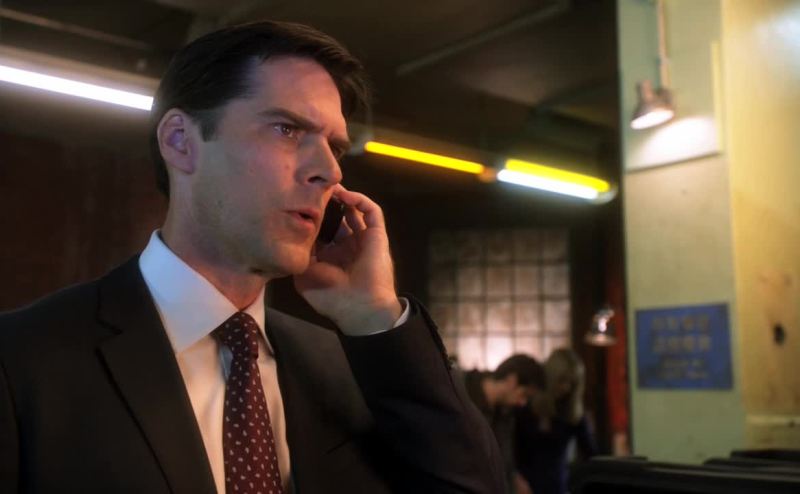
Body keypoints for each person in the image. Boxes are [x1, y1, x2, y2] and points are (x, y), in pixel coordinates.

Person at [0, 21, 504, 493]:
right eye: (287, 129)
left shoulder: (349, 367)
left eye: (335, 148)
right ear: (180, 142)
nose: (329, 171)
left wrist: (374, 318)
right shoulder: (22, 360)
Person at [514, 348, 598, 494]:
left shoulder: (572, 412)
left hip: (558, 487)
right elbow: (511, 449)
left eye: (572, 383)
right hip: (523, 487)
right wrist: (514, 477)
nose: (566, 387)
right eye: (562, 380)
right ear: (551, 377)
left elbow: (591, 454)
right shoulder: (525, 407)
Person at [463, 354, 546, 494]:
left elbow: (505, 459)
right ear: (512, 380)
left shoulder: (506, 413)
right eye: (524, 394)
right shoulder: (463, 398)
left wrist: (513, 479)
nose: (523, 403)